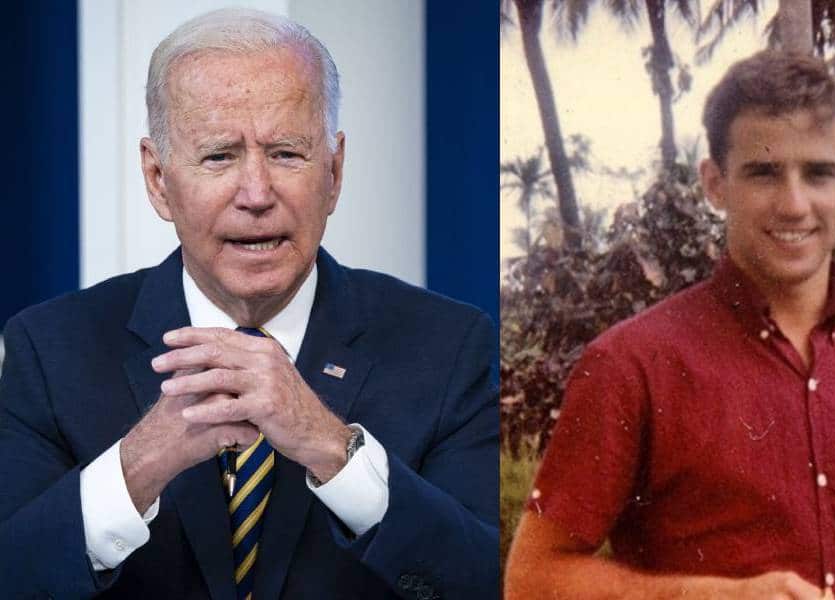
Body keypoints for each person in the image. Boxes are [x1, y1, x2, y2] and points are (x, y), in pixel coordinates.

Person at [0, 8, 498, 599]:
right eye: (219, 156)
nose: (257, 194)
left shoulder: (451, 346)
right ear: (158, 179)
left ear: (334, 172)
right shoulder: (50, 349)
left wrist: (336, 453)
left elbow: (487, 582)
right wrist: (136, 467)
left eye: (286, 153)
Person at [505, 50, 835, 600]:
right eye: (764, 173)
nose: (794, 204)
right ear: (715, 183)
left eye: (818, 173)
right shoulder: (631, 364)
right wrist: (712, 597)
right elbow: (531, 579)